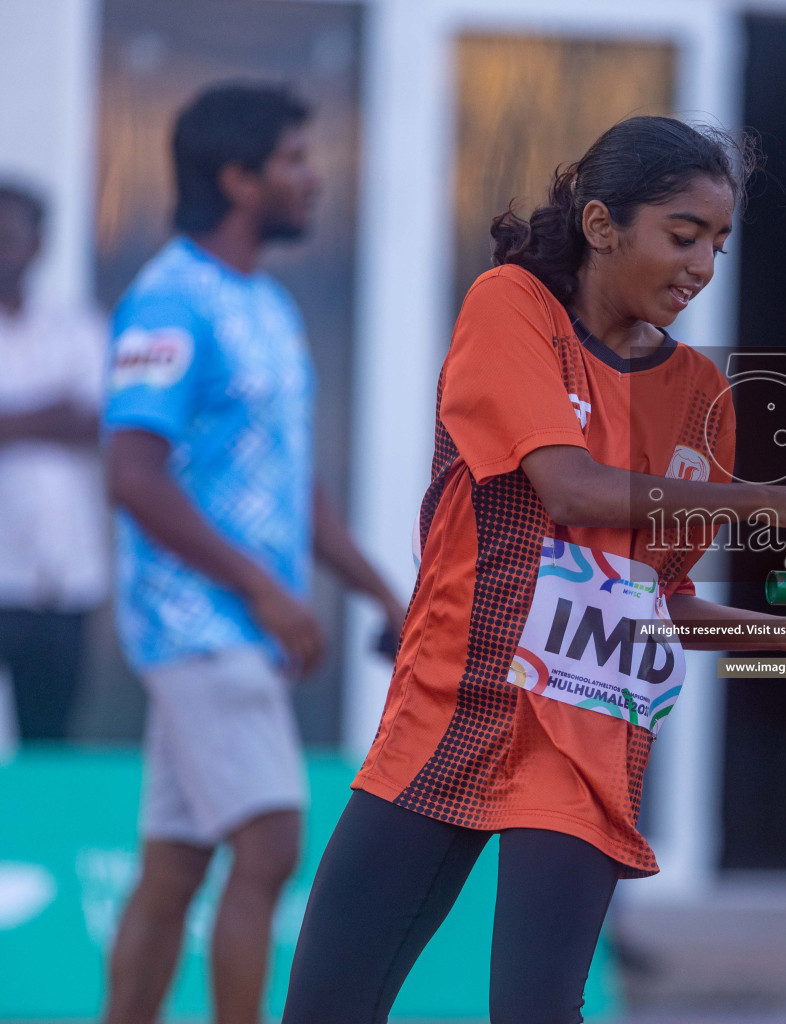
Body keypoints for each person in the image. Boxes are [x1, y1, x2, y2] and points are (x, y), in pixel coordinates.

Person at [282, 115, 786, 1024]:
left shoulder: (703, 394)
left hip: (587, 737)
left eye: (720, 243)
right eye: (683, 235)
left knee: (535, 1014)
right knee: (326, 1010)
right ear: (599, 226)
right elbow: (572, 490)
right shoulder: (512, 308)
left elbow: (657, 603)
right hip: (451, 711)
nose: (703, 265)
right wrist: (776, 503)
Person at [100, 83, 406, 1024]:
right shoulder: (168, 301)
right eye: (294, 160)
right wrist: (269, 595)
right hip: (195, 621)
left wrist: (382, 592)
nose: (315, 179)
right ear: (237, 178)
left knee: (177, 866)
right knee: (270, 844)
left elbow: (290, 484)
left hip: (240, 624)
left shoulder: (266, 305)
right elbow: (132, 473)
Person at [0, 182, 109, 742]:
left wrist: (10, 423)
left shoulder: (78, 330)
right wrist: (57, 412)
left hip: (62, 577)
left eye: (13, 235)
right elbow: (75, 416)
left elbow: (101, 425)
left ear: (39, 244)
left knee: (51, 741)